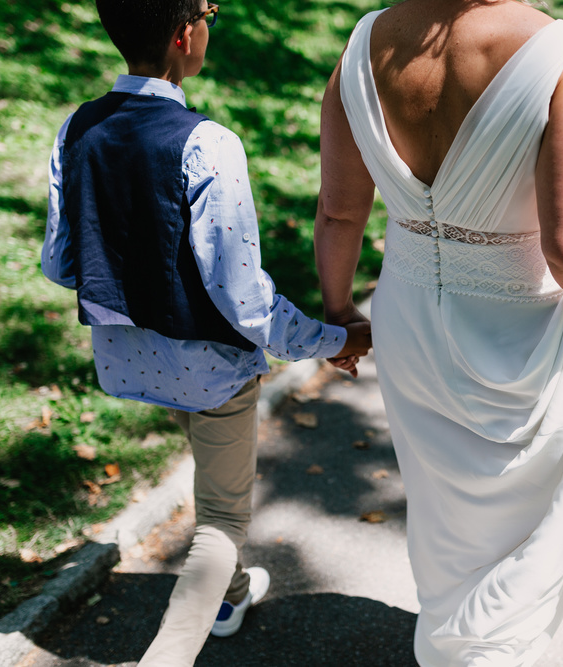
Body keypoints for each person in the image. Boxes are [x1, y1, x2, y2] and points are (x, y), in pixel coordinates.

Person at [314, 0, 563, 663]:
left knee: (443, 515)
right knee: (531, 539)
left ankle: (452, 640)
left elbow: (339, 212)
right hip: (523, 338)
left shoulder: (366, 42)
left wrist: (340, 312)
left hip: (408, 323)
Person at [40, 1, 371, 664]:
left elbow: (60, 262)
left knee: (213, 472)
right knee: (222, 520)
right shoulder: (208, 144)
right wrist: (335, 340)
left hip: (132, 359)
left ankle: (231, 593)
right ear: (184, 33)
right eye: (209, 12)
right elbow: (244, 300)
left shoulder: (77, 128)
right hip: (212, 368)